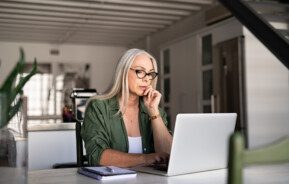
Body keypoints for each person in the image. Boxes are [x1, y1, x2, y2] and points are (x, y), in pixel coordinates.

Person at [81, 48, 172, 168]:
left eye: (150, 73)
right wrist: (146, 158)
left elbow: (170, 155)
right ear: (123, 72)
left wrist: (154, 112)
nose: (147, 79)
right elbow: (97, 157)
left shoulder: (156, 111)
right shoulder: (98, 107)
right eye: (140, 71)